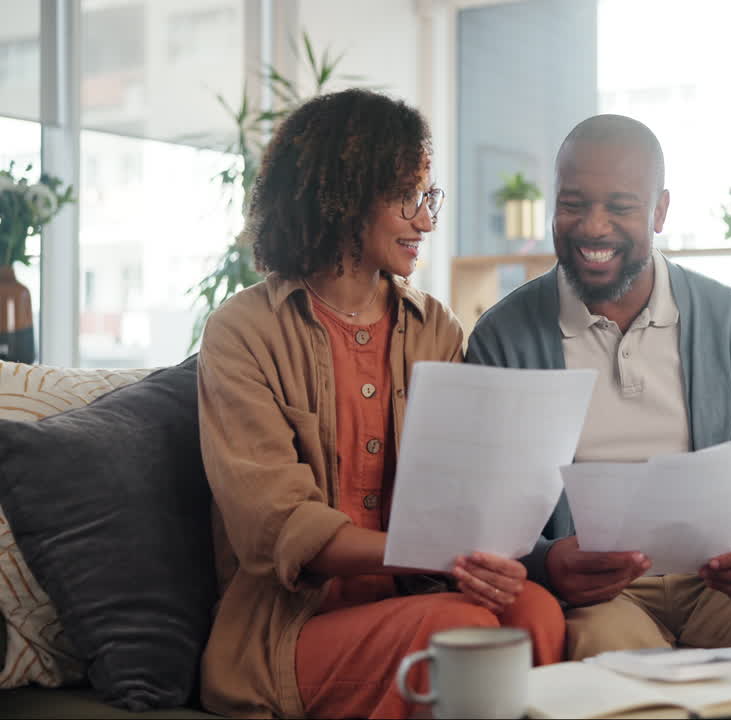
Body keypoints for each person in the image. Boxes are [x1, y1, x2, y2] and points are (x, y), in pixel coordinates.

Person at [196, 88, 564, 719]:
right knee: (454, 632)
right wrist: (439, 556)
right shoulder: (242, 331)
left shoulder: (435, 329)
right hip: (287, 633)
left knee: (538, 609)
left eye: (429, 197)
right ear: (342, 198)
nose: (426, 220)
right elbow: (276, 524)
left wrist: (480, 552)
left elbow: (461, 492)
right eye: (406, 198)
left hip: (415, 594)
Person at [465, 114, 731, 660]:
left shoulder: (730, 321)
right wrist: (547, 563)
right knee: (606, 656)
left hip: (721, 586)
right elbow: (487, 510)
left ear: (659, 211)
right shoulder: (503, 337)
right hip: (601, 598)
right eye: (573, 204)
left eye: (620, 206)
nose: (593, 226)